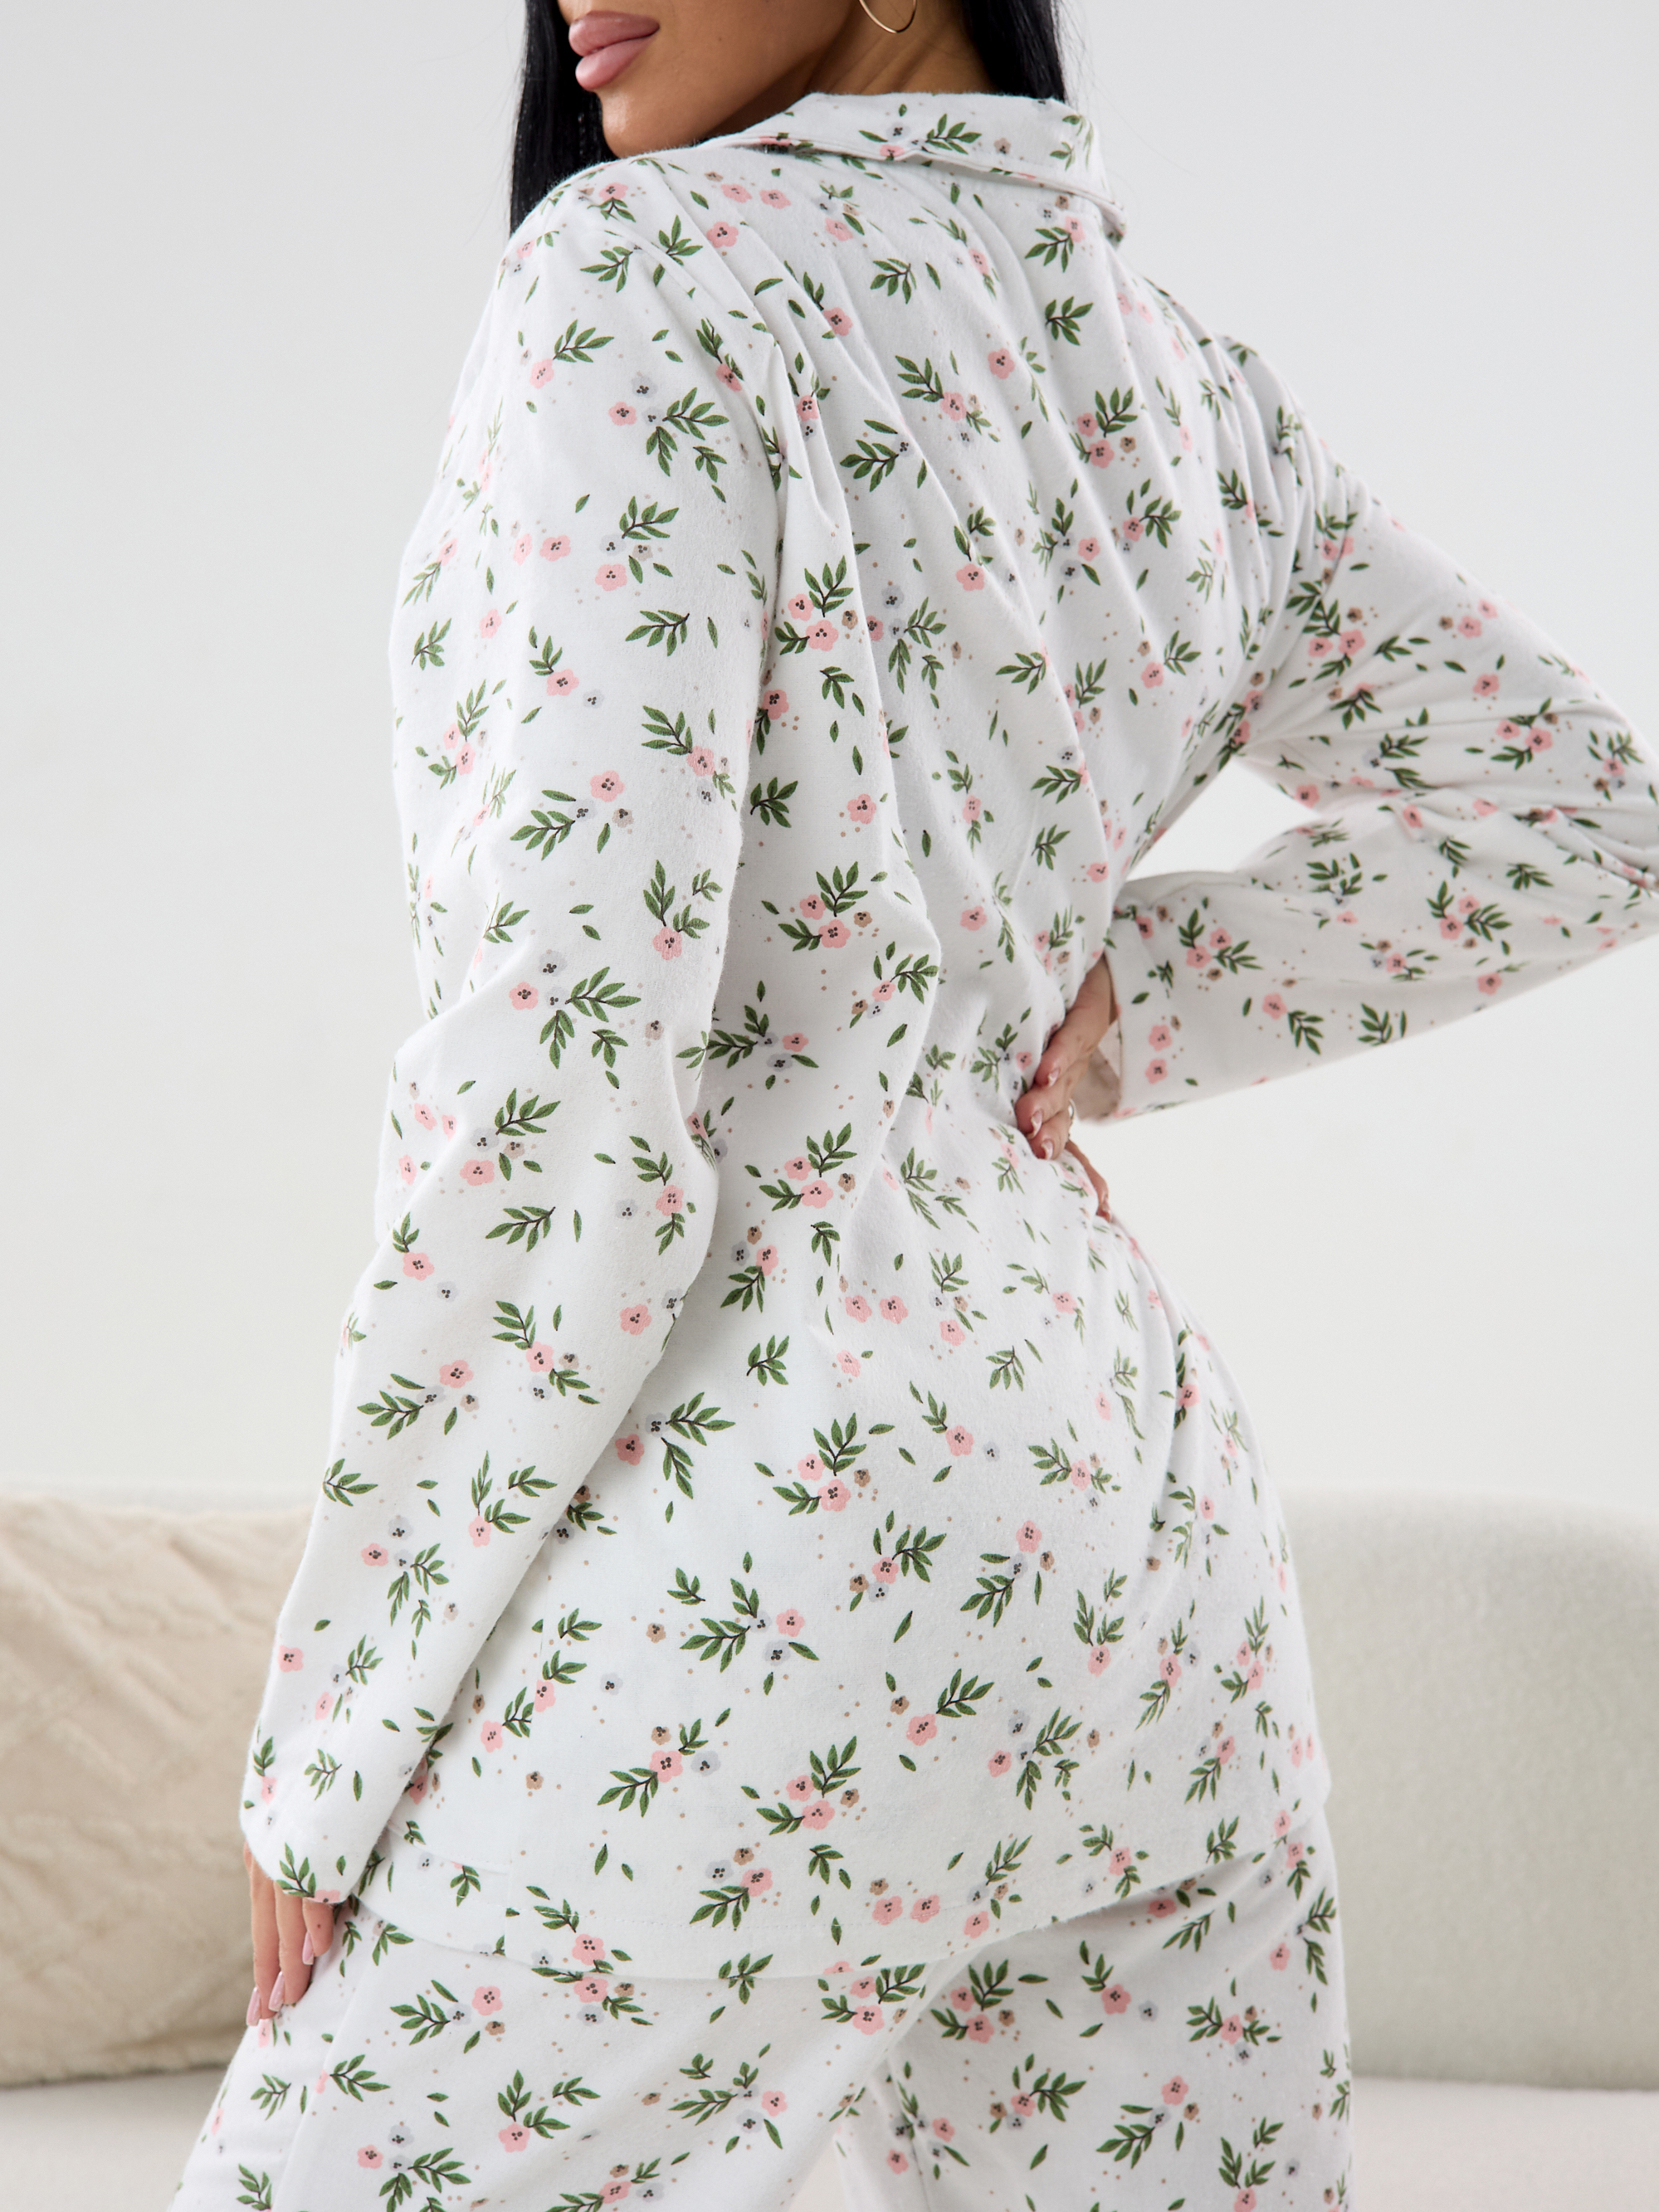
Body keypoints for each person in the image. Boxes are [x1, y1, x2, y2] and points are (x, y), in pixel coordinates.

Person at [174, 2, 1659, 2205]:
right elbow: (1584, 808)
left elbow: (566, 1056)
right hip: (1140, 1569)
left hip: (757, 1546)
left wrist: (339, 1723)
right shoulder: (1182, 385)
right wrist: (1125, 1001)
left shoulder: (641, 280)